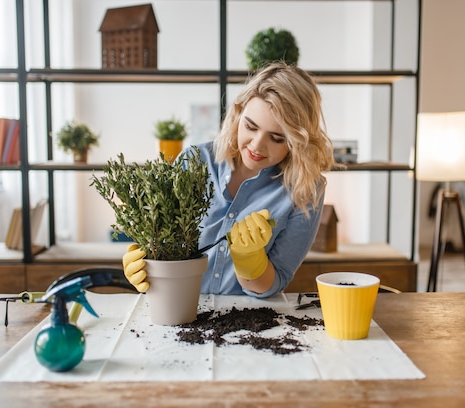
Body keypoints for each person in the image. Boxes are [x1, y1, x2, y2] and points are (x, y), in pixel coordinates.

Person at [123, 62, 336, 297]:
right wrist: (147, 266)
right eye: (250, 126)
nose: (256, 146)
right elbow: (165, 245)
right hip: (178, 305)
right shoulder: (195, 162)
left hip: (246, 322)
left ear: (298, 141)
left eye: (277, 138)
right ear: (238, 113)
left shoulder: (305, 189)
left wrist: (251, 264)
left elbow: (278, 279)